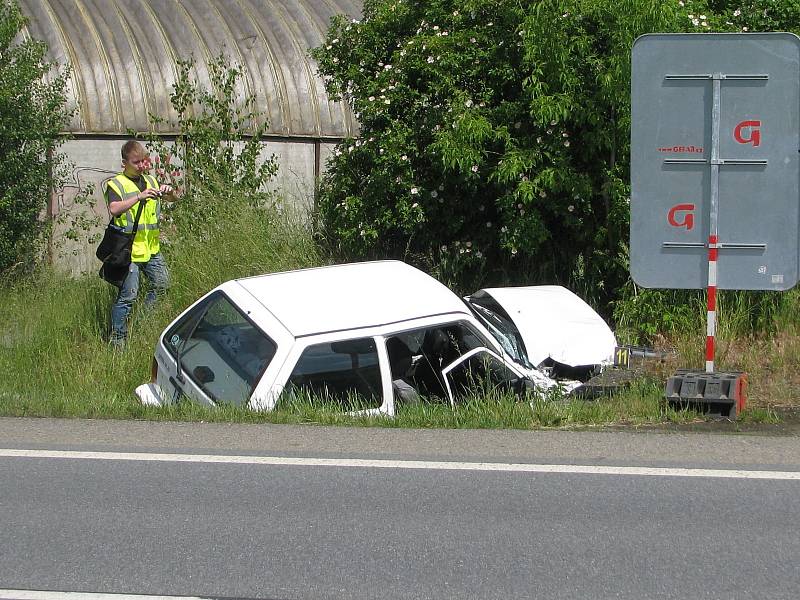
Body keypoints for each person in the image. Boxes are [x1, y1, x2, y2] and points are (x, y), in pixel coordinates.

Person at [104, 140, 176, 347]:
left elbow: (174, 199)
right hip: (129, 252)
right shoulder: (116, 183)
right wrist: (139, 196)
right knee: (128, 296)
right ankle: (118, 342)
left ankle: (141, 325)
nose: (142, 165)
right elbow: (115, 209)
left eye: (144, 160)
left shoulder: (151, 181)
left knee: (162, 286)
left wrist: (169, 192)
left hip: (152, 249)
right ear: (124, 163)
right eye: (137, 162)